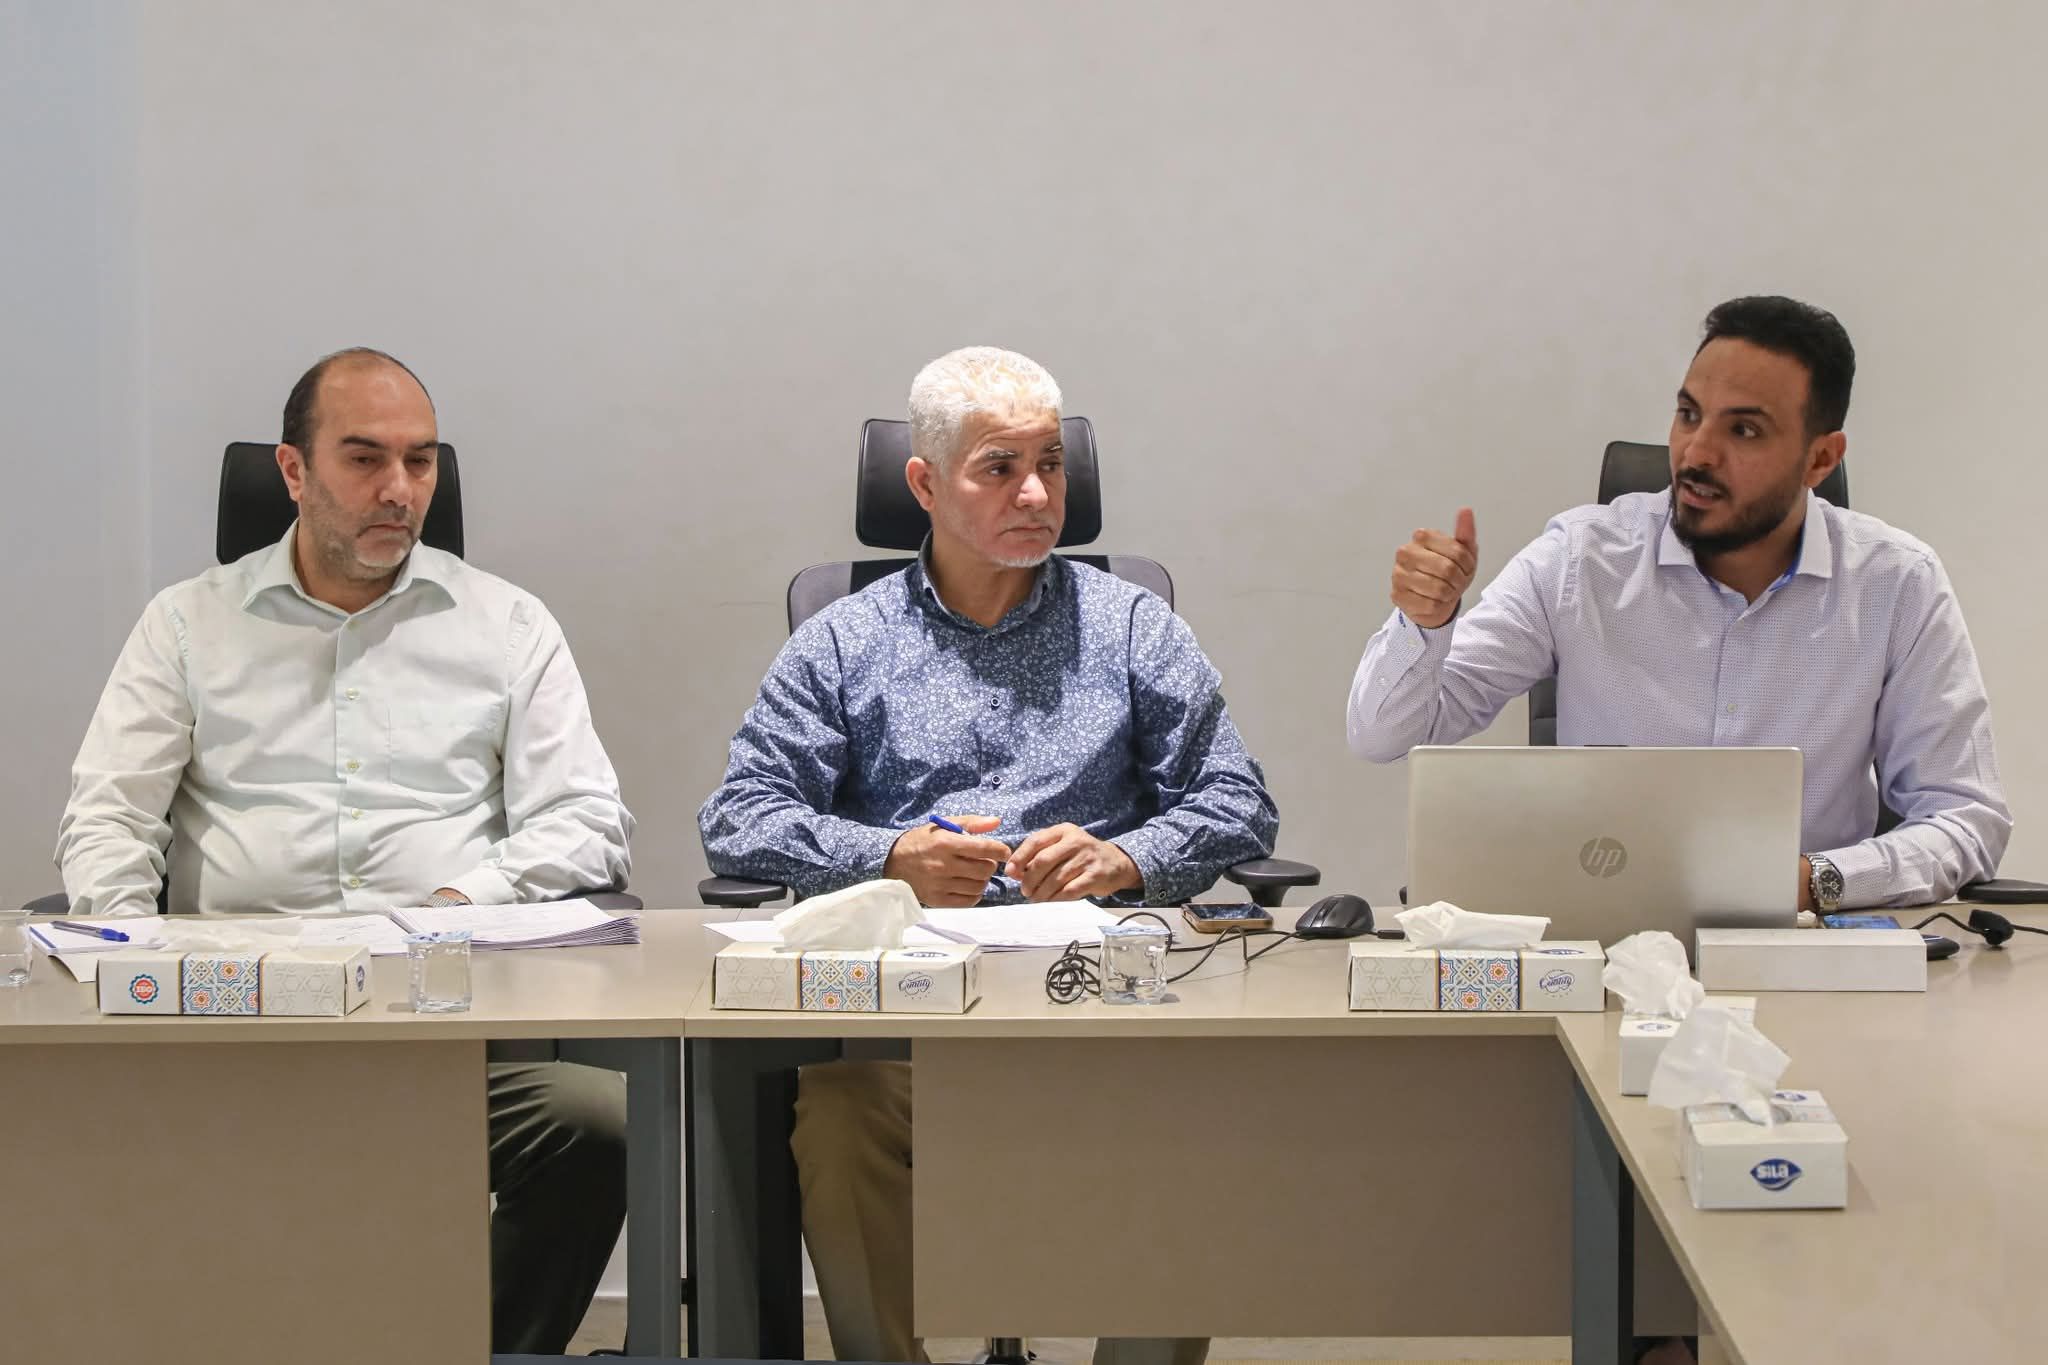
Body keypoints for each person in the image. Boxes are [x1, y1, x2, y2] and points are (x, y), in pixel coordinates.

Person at [700, 346, 1275, 1364]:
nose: (1036, 493)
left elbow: (1240, 804)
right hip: (910, 1027)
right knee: (837, 1115)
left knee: (1201, 1105)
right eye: (999, 468)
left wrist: (1126, 858)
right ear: (923, 484)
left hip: (1100, 1012)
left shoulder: (1131, 627)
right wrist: (888, 857)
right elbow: (738, 815)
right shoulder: (844, 641)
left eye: (1050, 464)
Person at [57, 347, 634, 1354]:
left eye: (420, 461)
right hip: (225, 1022)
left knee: (600, 1122)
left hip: (443, 1025)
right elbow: (109, 818)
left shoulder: (506, 625)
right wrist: (135, 960)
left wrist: (456, 901)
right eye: (365, 459)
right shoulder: (188, 624)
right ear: (293, 470)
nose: (399, 489)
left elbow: (587, 820)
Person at [1347, 295, 2009, 912]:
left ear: (1820, 459)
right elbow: (1382, 735)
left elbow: (1966, 817)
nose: (1697, 453)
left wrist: (1816, 881)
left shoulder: (1897, 584)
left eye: (1744, 430)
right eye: (1689, 414)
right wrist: (1425, 623)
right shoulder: (1579, 561)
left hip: (1806, 949)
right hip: (1596, 945)